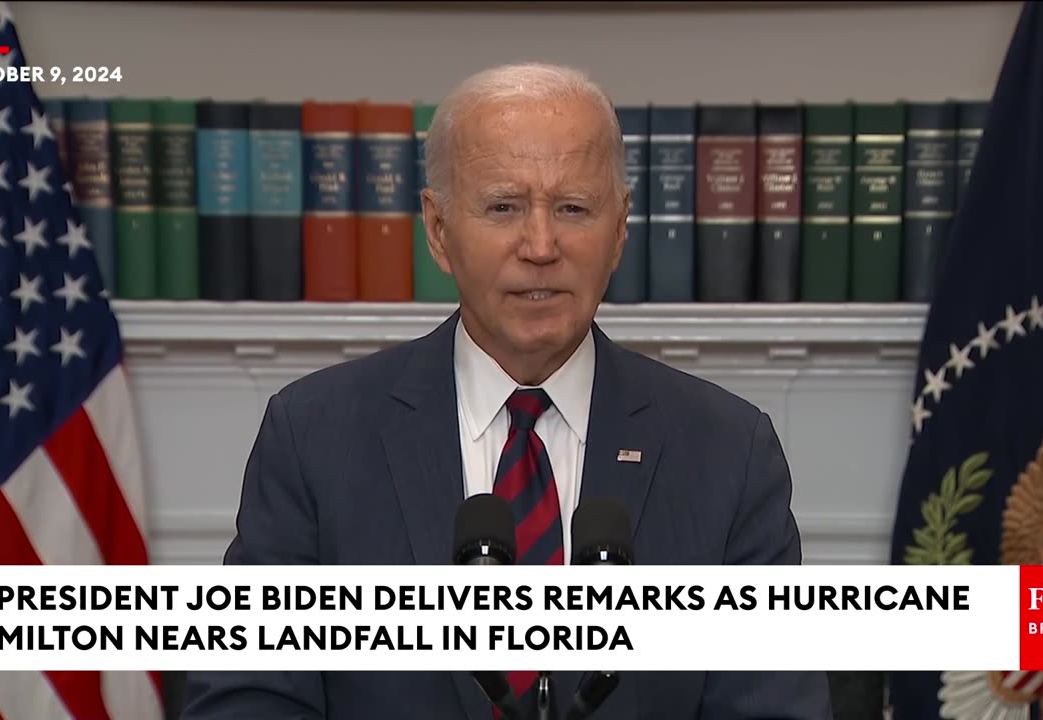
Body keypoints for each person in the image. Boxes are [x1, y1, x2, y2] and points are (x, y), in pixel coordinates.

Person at [182, 62, 833, 720]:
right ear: (438, 231)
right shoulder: (313, 439)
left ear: (620, 229)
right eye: (504, 207)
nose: (541, 245)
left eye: (573, 208)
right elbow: (248, 702)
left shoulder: (728, 453)